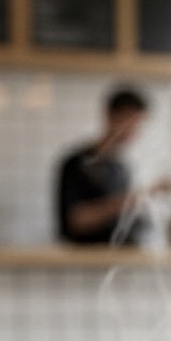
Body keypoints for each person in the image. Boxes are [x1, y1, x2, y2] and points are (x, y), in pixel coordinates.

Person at [57, 87, 156, 244]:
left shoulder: (121, 167)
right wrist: (132, 199)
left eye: (138, 124)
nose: (135, 130)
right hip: (86, 255)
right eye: (131, 122)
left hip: (120, 254)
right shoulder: (77, 163)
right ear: (110, 117)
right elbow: (75, 221)